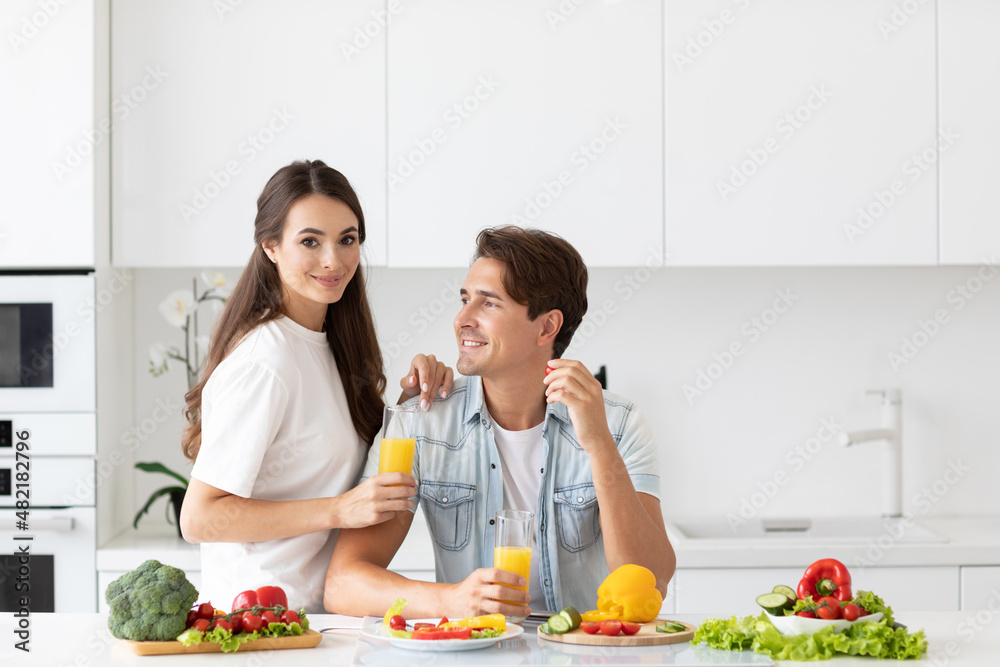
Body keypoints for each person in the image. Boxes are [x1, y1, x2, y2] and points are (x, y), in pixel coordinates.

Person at [325, 226, 675, 619]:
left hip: (583, 651)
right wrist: (451, 600)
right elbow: (343, 584)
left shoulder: (619, 424)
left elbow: (652, 579)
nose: (462, 319)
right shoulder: (423, 424)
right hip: (474, 652)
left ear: (547, 327)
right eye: (464, 299)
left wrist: (598, 444)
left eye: (488, 304)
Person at [179, 159, 451, 613]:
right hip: (256, 623)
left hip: (315, 623)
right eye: (310, 241)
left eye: (347, 240)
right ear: (270, 246)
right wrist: (338, 510)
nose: (334, 260)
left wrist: (411, 402)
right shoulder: (265, 361)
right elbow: (200, 518)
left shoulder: (331, 345)